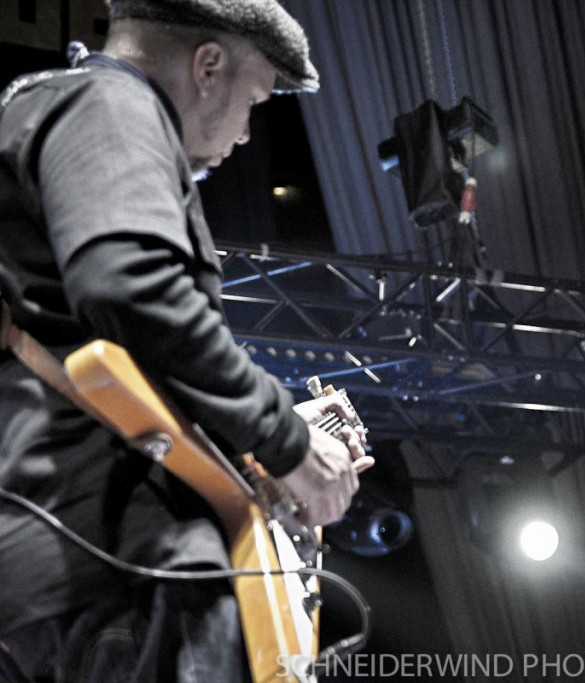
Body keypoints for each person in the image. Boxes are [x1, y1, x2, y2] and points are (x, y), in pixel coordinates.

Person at [0, 1, 373, 680]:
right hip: (120, 564)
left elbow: (104, 350)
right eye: (253, 101)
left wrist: (258, 442)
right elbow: (131, 288)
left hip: (64, 565)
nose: (247, 132)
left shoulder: (65, 109)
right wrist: (284, 440)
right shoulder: (111, 102)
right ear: (208, 67)